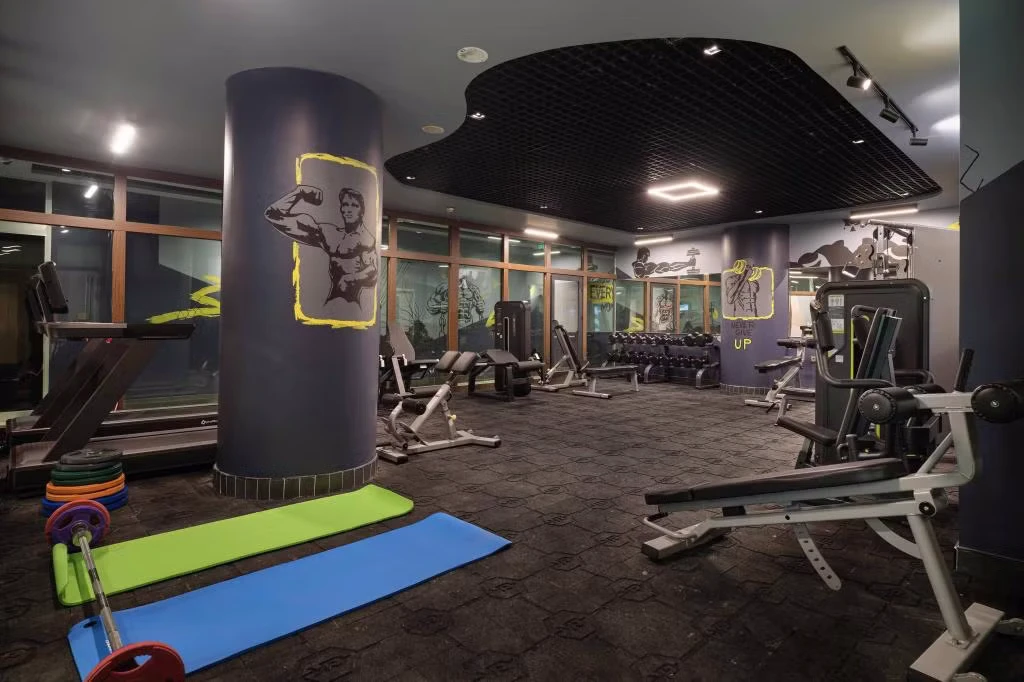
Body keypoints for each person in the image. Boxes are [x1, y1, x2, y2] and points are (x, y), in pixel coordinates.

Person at [265, 185, 377, 307]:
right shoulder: (330, 234)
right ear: (341, 209)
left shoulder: (366, 240)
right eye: (345, 205)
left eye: (354, 205)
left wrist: (352, 278)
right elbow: (272, 214)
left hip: (352, 306)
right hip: (330, 302)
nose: (349, 209)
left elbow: (373, 273)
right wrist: (299, 193)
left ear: (362, 211)